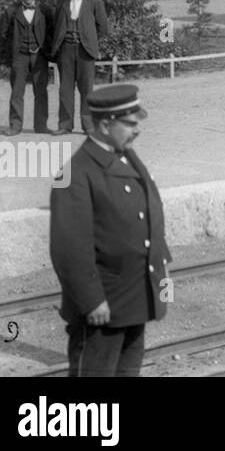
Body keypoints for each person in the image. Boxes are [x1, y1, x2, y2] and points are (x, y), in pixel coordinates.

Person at [49, 84, 171, 377]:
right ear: (105, 124)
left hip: (135, 294)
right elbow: (69, 248)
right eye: (130, 123)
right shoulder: (75, 174)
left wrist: (159, 272)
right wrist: (91, 300)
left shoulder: (125, 155)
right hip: (103, 303)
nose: (137, 129)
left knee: (128, 372)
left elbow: (148, 214)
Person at [49, 0, 108, 134]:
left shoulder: (96, 3)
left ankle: (88, 126)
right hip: (65, 49)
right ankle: (65, 125)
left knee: (86, 89)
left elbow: (102, 28)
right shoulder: (61, 2)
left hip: (85, 50)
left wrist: (89, 40)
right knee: (65, 89)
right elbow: (56, 24)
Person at [0, 0, 50, 135]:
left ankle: (41, 126)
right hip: (19, 56)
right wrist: (12, 54)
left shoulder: (45, 10)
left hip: (39, 56)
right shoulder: (11, 11)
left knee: (41, 91)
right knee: (17, 91)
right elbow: (2, 35)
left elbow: (52, 32)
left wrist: (45, 50)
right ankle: (15, 125)